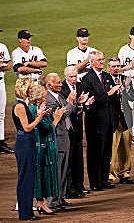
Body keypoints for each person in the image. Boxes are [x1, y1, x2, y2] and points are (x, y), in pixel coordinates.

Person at [81, 51, 121, 190]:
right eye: (99, 60)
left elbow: (111, 99)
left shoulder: (106, 76)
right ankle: (95, 182)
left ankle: (104, 179)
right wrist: (109, 94)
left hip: (109, 120)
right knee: (95, 153)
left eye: (102, 59)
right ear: (91, 62)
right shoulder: (87, 79)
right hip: (95, 122)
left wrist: (117, 93)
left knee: (106, 152)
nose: (102, 62)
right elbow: (92, 101)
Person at [13, 76, 51, 220]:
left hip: (26, 142)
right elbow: (27, 127)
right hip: (25, 143)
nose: (31, 90)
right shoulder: (20, 106)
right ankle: (24, 213)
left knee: (29, 178)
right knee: (25, 179)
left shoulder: (22, 105)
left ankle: (28, 212)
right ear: (24, 89)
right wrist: (40, 117)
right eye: (30, 88)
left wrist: (38, 115)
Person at [29, 85, 63, 215]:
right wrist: (56, 119)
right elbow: (48, 129)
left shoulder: (40, 109)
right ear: (38, 99)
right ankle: (41, 204)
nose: (46, 98)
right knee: (41, 174)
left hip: (46, 147)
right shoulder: (35, 110)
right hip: (41, 149)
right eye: (43, 96)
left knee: (44, 174)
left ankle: (42, 204)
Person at [60, 66, 93, 198]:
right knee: (70, 158)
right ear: (66, 76)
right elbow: (67, 110)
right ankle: (69, 189)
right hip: (67, 127)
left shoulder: (81, 86)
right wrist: (78, 104)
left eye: (75, 76)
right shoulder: (62, 89)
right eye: (71, 77)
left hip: (78, 126)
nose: (74, 79)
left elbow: (83, 107)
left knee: (78, 157)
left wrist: (87, 105)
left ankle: (79, 186)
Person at [44, 73, 76, 210]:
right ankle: (52, 201)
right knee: (56, 170)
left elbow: (68, 111)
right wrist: (70, 102)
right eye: (57, 83)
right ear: (49, 85)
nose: (61, 84)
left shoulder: (59, 96)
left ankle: (60, 198)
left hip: (65, 136)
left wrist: (75, 104)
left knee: (64, 169)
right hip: (57, 138)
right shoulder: (48, 99)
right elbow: (61, 114)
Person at [107, 57, 134, 184]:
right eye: (113, 66)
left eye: (118, 66)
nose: (116, 68)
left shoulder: (125, 79)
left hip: (125, 118)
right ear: (108, 68)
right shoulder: (105, 79)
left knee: (126, 147)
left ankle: (124, 173)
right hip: (112, 118)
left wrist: (127, 89)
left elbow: (133, 96)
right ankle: (110, 175)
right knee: (112, 149)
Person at [0, 31, 14, 154]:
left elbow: (9, 65)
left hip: (1, 81)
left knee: (1, 113)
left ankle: (0, 142)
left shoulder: (2, 47)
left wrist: (3, 66)